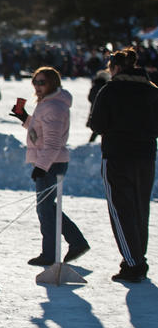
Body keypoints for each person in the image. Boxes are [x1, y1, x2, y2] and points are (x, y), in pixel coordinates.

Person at [90, 48, 158, 282]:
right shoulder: (152, 91)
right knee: (140, 209)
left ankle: (133, 263)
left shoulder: (111, 90)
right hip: (146, 155)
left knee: (121, 210)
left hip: (117, 154)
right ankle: (137, 257)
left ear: (115, 68)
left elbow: (97, 124)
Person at [10, 67, 90, 267]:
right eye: (35, 82)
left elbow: (53, 143)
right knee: (48, 208)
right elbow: (40, 132)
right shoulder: (48, 104)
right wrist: (25, 119)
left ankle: (51, 253)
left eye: (42, 82)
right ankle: (76, 242)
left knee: (45, 209)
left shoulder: (53, 106)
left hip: (52, 163)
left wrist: (42, 167)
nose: (37, 86)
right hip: (51, 162)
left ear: (52, 83)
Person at [86, 69, 110, 142]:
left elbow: (89, 98)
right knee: (103, 126)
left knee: (96, 125)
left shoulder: (94, 86)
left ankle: (92, 141)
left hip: (93, 108)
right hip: (103, 109)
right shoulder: (106, 87)